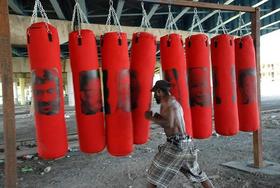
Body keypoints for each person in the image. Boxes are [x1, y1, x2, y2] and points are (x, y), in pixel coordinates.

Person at [145, 80, 214, 188]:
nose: (154, 96)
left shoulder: (168, 103)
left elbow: (169, 124)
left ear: (159, 92)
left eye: (155, 93)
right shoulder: (172, 102)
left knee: (154, 174)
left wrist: (151, 118)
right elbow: (168, 119)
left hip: (176, 146)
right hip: (186, 144)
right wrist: (154, 115)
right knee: (199, 174)